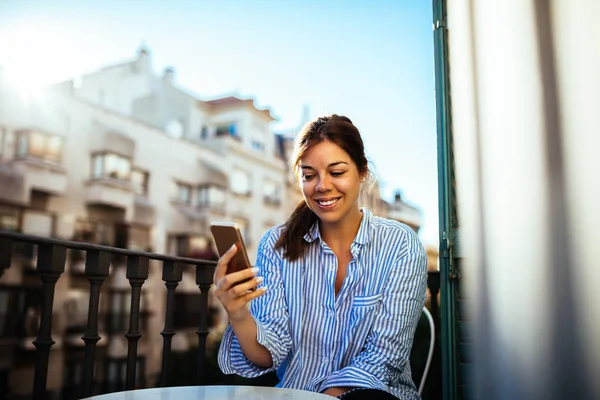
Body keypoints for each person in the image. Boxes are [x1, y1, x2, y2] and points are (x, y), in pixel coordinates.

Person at [214, 115, 427, 399]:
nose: (322, 186)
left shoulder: (401, 244)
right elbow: (268, 355)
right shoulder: (276, 245)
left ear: (362, 172)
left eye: (336, 172)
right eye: (309, 175)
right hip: (297, 394)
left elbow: (384, 357)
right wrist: (238, 313)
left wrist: (325, 398)